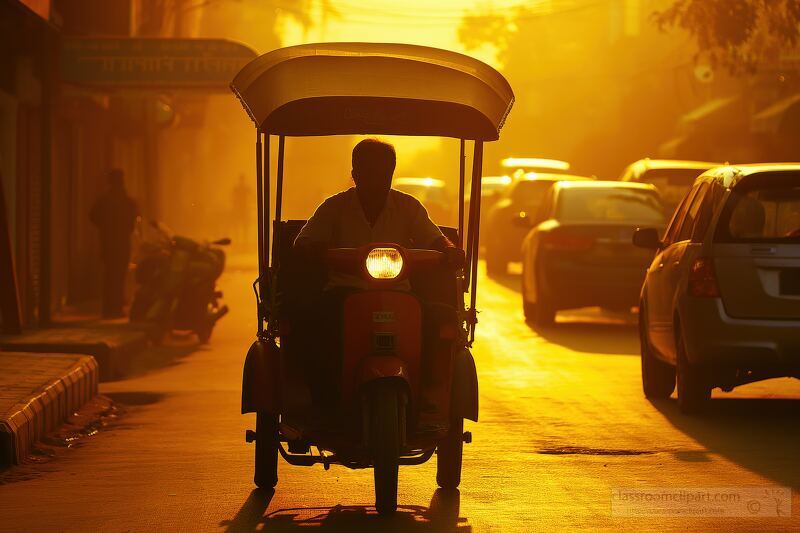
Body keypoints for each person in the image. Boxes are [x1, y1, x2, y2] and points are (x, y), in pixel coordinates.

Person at [291, 139, 463, 406]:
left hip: (400, 294)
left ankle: (428, 391)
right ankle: (322, 398)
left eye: (382, 172)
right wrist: (316, 249)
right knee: (310, 326)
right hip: (343, 293)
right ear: (355, 173)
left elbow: (435, 239)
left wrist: (450, 250)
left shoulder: (409, 207)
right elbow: (304, 240)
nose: (375, 179)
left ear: (391, 173)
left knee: (440, 321)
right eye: (368, 171)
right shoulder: (334, 207)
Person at [90, 169, 138, 318]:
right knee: (119, 276)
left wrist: (105, 228)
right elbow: (132, 222)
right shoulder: (128, 202)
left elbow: (93, 216)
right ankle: (115, 308)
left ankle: (108, 309)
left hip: (108, 243)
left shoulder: (103, 201)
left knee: (109, 276)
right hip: (122, 243)